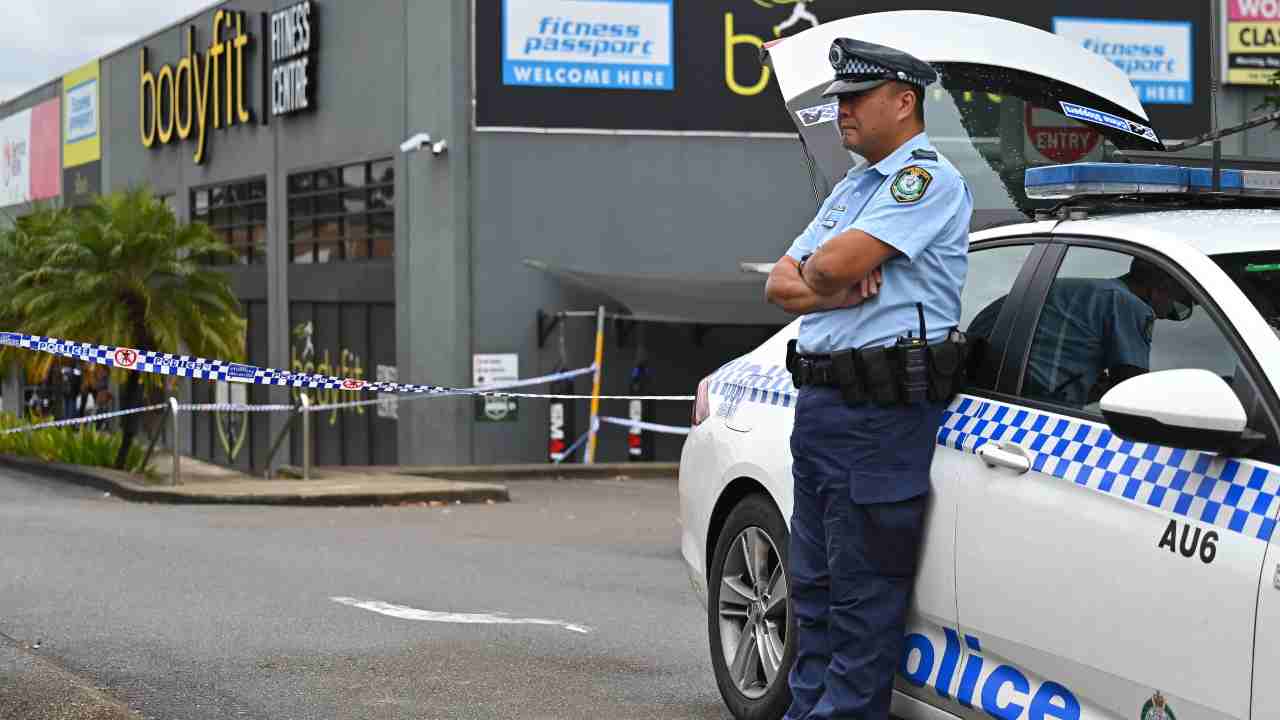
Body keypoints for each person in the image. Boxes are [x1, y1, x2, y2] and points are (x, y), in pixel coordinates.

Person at [764, 39, 973, 719]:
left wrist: (826, 276)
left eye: (855, 99)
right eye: (839, 100)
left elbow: (819, 268)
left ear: (904, 101)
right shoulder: (857, 187)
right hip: (822, 407)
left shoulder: (925, 178)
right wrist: (836, 288)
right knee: (814, 595)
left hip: (881, 415)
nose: (841, 111)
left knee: (859, 603)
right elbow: (781, 285)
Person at [968, 257, 1192, 408]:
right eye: (1178, 301)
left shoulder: (1091, 294)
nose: (1167, 314)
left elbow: (1056, 347)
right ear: (1160, 286)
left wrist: (1089, 385)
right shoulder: (1128, 304)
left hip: (986, 391)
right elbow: (1133, 391)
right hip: (1034, 401)